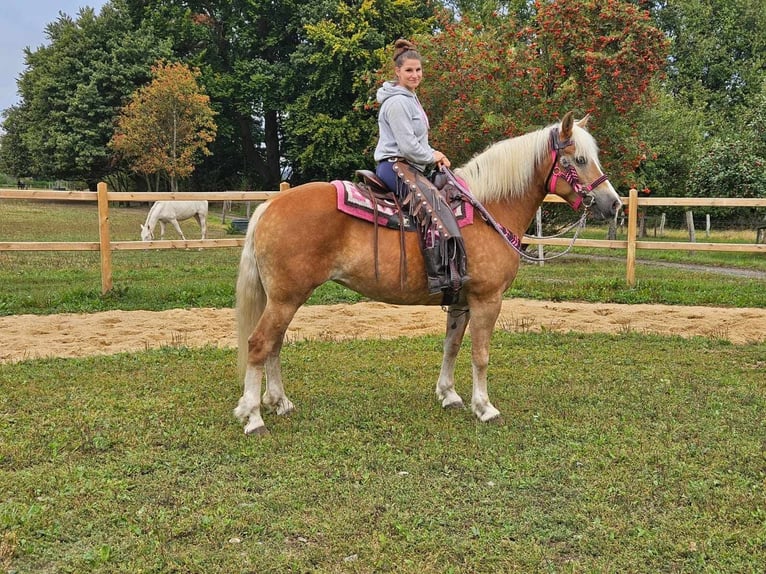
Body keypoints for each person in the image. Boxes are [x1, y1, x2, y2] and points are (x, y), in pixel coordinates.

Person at [373, 39, 468, 303]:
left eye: (418, 70)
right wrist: (432, 155)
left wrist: (434, 154)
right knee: (434, 209)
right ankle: (439, 276)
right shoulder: (397, 103)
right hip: (395, 166)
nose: (415, 75)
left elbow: (418, 145)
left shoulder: (411, 99)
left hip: (410, 165)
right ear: (397, 72)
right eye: (409, 71)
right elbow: (408, 147)